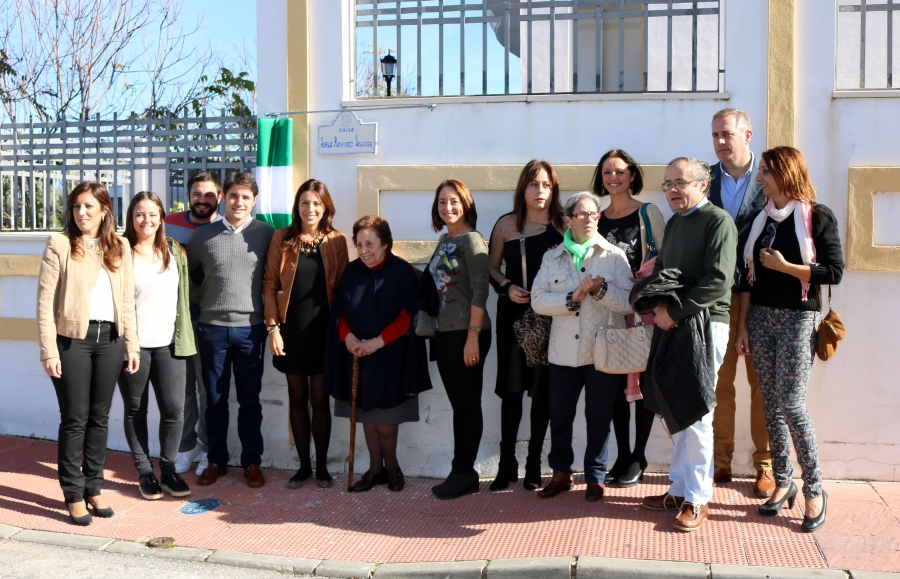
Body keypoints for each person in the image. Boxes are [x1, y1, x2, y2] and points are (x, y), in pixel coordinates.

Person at [735, 146, 843, 532]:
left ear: (785, 173)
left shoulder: (817, 216)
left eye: (765, 172)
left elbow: (833, 271)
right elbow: (747, 278)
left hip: (800, 319)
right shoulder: (760, 220)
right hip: (761, 318)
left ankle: (815, 489)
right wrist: (744, 325)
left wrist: (786, 267)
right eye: (760, 171)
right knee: (770, 403)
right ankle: (783, 482)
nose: (760, 178)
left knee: (791, 404)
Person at [640, 158, 736, 532]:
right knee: (675, 409)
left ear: (703, 184)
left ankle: (697, 499)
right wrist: (658, 303)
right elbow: (665, 269)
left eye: (681, 182)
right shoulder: (677, 223)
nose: (673, 190)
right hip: (674, 321)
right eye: (668, 184)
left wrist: (673, 311)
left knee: (695, 412)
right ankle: (678, 490)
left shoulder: (718, 222)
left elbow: (718, 282)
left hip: (706, 324)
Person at [36, 182, 139, 525]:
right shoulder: (61, 244)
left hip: (110, 341)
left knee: (100, 417)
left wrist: (131, 345)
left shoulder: (120, 246)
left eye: (89, 207)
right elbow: (45, 303)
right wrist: (49, 350)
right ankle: (73, 493)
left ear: (104, 211)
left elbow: (127, 302)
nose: (82, 213)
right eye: (77, 207)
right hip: (72, 343)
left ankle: (94, 487)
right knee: (75, 419)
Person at [530, 192, 635, 502]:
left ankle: (595, 477)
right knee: (559, 414)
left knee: (599, 415)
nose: (590, 219)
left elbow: (629, 303)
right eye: (583, 214)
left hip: (602, 350)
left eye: (594, 214)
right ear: (568, 219)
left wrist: (600, 290)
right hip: (562, 351)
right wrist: (571, 298)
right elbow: (538, 301)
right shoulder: (552, 257)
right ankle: (561, 473)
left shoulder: (614, 255)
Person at [324, 216, 432, 493]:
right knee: (366, 419)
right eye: (358, 244)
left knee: (386, 421)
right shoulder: (351, 272)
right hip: (357, 354)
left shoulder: (402, 272)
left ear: (384, 243)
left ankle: (393, 468)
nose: (363, 250)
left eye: (369, 243)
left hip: (391, 356)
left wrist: (377, 342)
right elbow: (341, 312)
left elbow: (407, 317)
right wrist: (348, 338)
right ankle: (375, 470)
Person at [188, 171, 275, 488]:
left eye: (246, 197)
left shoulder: (267, 234)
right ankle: (216, 460)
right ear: (224, 197)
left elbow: (272, 279)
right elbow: (195, 277)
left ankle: (252, 462)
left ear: (254, 201)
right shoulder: (202, 237)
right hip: (212, 329)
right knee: (215, 399)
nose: (239, 202)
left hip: (251, 331)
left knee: (250, 400)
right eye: (234, 195)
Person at [264, 179, 349, 489]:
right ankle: (303, 467)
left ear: (325, 206)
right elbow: (270, 284)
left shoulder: (336, 241)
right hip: (291, 331)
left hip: (324, 332)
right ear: (296, 206)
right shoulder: (281, 239)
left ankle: (323, 467)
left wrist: (343, 332)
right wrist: (273, 328)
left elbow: (342, 291)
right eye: (304, 202)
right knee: (297, 396)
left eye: (316, 203)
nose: (310, 208)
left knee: (319, 397)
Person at [707, 109, 773, 497]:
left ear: (747, 135)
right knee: (720, 383)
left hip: (762, 296)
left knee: (761, 384)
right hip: (717, 297)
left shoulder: (768, 177)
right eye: (715, 135)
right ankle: (721, 461)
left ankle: (765, 465)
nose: (720, 141)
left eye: (727, 134)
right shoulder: (705, 179)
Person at [487, 160, 565, 491]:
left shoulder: (564, 224)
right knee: (512, 391)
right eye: (534, 184)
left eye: (546, 185)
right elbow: (490, 267)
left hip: (552, 319)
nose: (540, 191)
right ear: (523, 188)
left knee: (542, 393)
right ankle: (507, 465)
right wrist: (507, 287)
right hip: (514, 317)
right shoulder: (507, 224)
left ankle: (534, 463)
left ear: (553, 189)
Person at [592, 149, 666, 488]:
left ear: (632, 175)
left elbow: (665, 261)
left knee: (643, 385)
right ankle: (622, 454)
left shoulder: (649, 213)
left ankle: (639, 455)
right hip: (609, 312)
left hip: (644, 312)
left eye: (620, 171)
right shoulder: (597, 218)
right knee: (616, 386)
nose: (613, 177)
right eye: (607, 172)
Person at [118, 191, 196, 500]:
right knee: (136, 410)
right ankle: (145, 472)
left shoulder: (174, 250)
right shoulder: (122, 251)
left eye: (152, 214)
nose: (146, 220)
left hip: (170, 345)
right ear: (131, 218)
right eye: (139, 214)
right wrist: (127, 344)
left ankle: (168, 469)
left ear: (162, 217)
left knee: (174, 410)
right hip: (134, 347)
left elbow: (184, 294)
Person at [427, 179, 493, 500]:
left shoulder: (473, 241)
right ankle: (461, 470)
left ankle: (464, 472)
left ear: (466, 204)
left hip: (468, 334)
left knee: (467, 405)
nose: (448, 207)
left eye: (454, 201)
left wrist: (473, 338)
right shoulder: (443, 241)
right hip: (444, 334)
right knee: (459, 406)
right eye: (442, 202)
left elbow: (481, 289)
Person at [166, 171, 224, 477]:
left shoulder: (223, 228)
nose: (202, 200)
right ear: (188, 195)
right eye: (197, 194)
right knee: (183, 390)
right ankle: (186, 446)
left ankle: (207, 447)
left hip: (209, 320)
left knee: (207, 389)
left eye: (209, 195)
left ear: (220, 198)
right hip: (174, 320)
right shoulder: (167, 222)